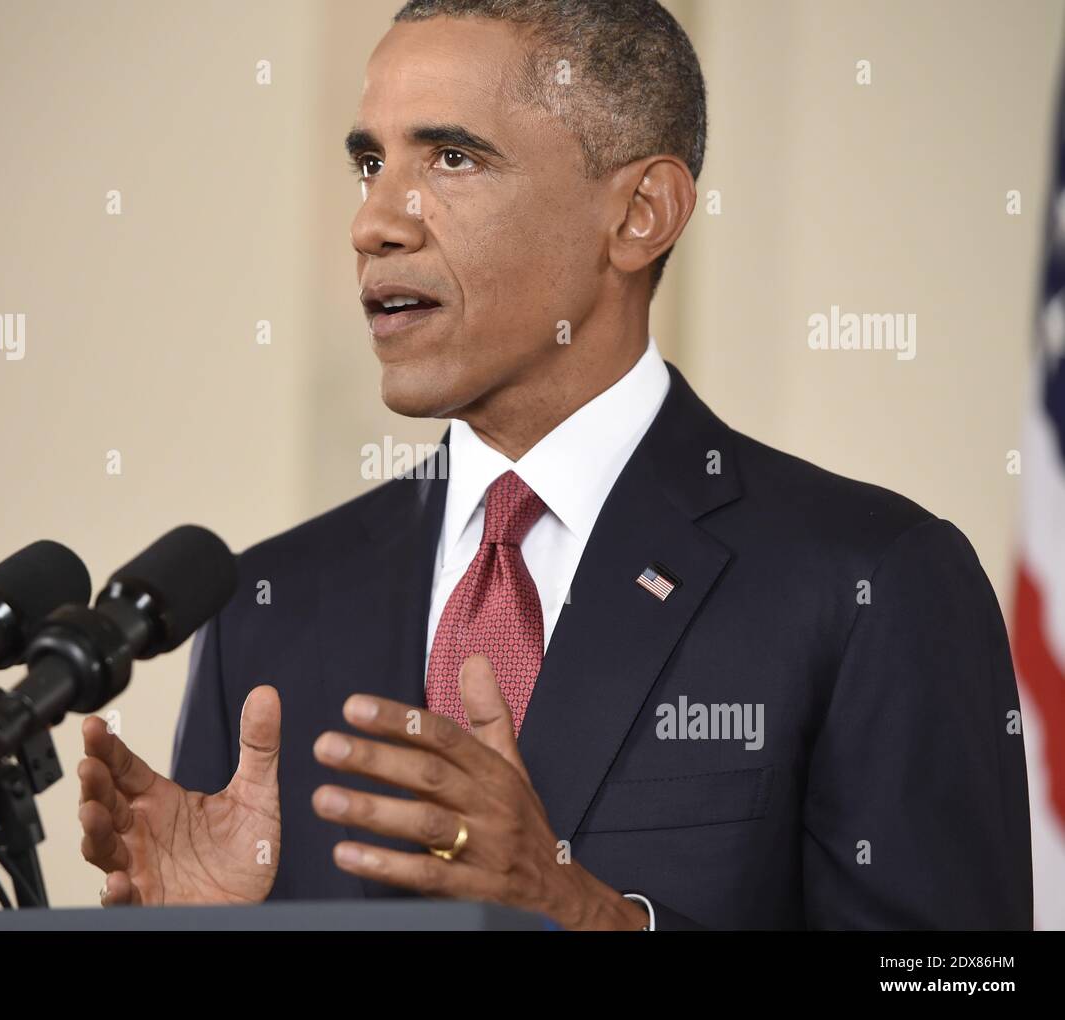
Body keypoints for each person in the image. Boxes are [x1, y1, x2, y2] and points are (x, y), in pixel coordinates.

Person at [77, 0, 1032, 929]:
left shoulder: (872, 579)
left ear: (640, 214)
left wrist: (587, 918)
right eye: (371, 162)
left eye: (451, 157)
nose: (375, 222)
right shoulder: (268, 601)